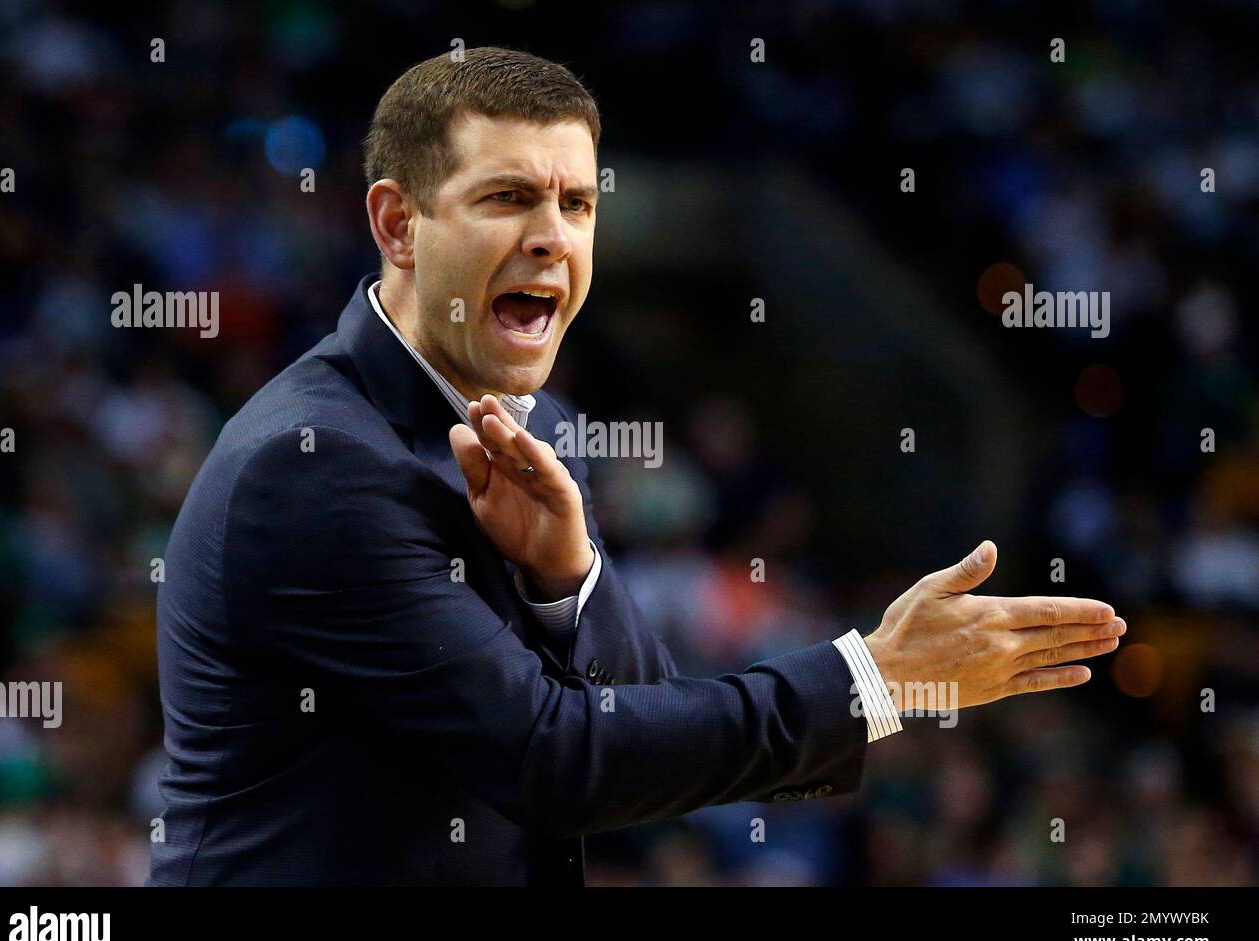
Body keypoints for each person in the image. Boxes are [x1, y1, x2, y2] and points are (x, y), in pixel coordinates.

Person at [148, 46, 1126, 886]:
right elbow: (559, 760)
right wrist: (873, 677)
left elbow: (635, 709)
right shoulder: (313, 465)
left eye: (577, 203)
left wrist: (566, 581)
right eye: (507, 198)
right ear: (398, 224)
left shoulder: (523, 437)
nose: (552, 236)